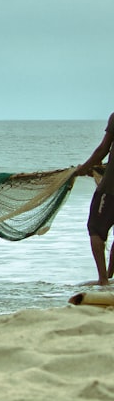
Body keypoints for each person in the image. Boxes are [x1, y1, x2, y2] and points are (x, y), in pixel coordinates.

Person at [75, 112, 114, 285]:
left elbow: (103, 149)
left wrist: (84, 167)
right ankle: (110, 275)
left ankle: (103, 279)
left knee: (96, 228)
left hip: (111, 188)